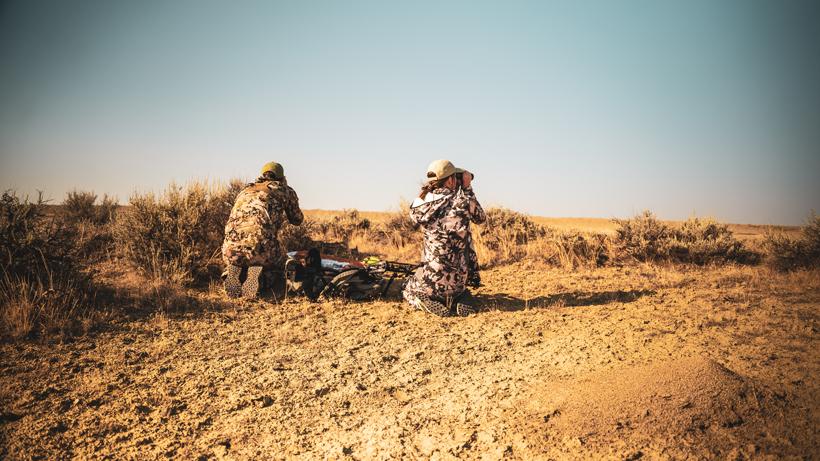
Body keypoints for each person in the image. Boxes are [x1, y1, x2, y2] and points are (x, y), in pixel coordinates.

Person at [403, 159, 486, 316]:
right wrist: (467, 188)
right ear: (450, 180)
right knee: (460, 286)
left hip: (431, 281)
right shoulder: (464, 201)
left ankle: (423, 299)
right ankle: (460, 298)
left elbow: (421, 203)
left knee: (408, 287)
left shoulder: (418, 206)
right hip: (458, 282)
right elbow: (481, 218)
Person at [222, 161, 304, 298]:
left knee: (242, 260)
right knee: (280, 264)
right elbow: (297, 220)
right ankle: (260, 279)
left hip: (230, 250)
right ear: (281, 177)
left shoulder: (245, 190)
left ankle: (234, 272)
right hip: (260, 248)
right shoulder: (284, 190)